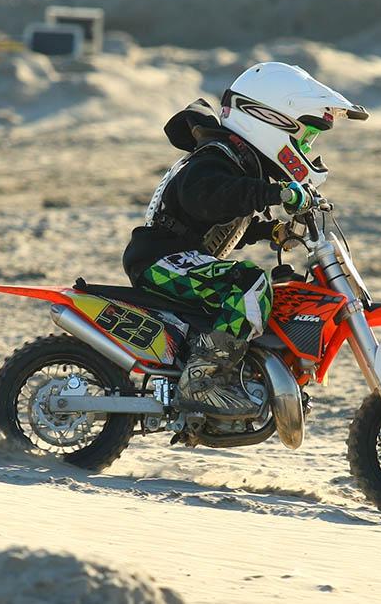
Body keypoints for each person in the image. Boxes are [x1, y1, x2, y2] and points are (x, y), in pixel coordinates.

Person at [122, 63, 367, 419]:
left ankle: (243, 372)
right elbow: (208, 198)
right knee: (250, 283)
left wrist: (271, 231)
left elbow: (215, 221)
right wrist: (277, 193)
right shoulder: (215, 157)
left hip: (174, 258)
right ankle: (204, 381)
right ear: (271, 119)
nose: (306, 147)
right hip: (159, 262)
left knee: (268, 289)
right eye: (304, 136)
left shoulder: (234, 161)